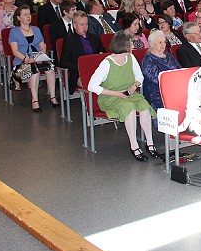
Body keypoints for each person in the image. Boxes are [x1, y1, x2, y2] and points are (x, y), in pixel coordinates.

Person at [88, 31, 160, 161]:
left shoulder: (130, 58)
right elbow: (92, 86)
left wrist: (133, 87)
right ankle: (134, 145)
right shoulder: (107, 63)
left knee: (144, 106)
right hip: (110, 97)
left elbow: (139, 77)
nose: (133, 46)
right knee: (129, 108)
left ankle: (150, 143)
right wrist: (117, 93)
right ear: (123, 45)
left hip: (128, 94)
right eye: (131, 43)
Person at [8, 5, 57, 111]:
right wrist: (26, 59)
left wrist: (40, 56)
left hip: (36, 59)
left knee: (50, 69)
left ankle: (52, 96)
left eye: (29, 14)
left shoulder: (36, 29)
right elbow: (15, 51)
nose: (28, 16)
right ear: (18, 17)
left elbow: (43, 46)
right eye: (25, 15)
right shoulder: (14, 32)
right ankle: (35, 100)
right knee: (35, 71)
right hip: (22, 62)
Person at [59, 11, 104, 94]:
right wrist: (80, 67)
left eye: (86, 24)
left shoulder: (95, 38)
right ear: (74, 25)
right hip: (80, 74)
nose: (85, 27)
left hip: (97, 71)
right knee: (92, 85)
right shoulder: (69, 41)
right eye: (81, 25)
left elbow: (103, 53)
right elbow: (64, 62)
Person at [139, 30, 181, 111]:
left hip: (174, 88)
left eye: (164, 42)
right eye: (160, 42)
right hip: (157, 93)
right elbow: (157, 79)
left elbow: (180, 71)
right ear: (151, 44)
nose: (163, 45)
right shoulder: (148, 60)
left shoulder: (169, 56)